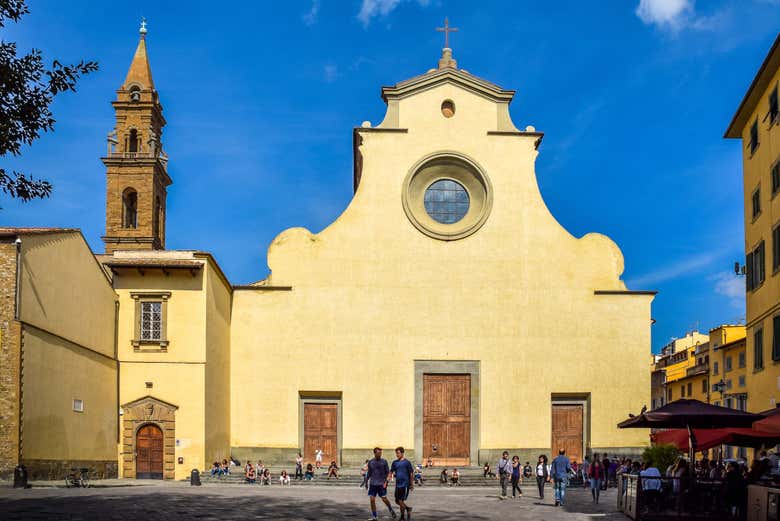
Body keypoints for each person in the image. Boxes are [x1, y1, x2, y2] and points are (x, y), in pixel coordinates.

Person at [366, 447, 397, 521]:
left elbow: (387, 473)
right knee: (372, 499)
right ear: (375, 453)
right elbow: (369, 472)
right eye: (378, 453)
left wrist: (386, 482)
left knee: (384, 499)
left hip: (381, 484)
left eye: (381, 453)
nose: (380, 454)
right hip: (373, 483)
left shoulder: (384, 461)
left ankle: (390, 509)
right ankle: (374, 516)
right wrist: (366, 481)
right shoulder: (371, 462)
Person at [390, 447, 414, 521]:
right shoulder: (395, 462)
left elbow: (411, 473)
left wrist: (411, 484)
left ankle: (402, 517)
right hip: (398, 484)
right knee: (397, 501)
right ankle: (408, 509)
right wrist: (387, 479)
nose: (397, 454)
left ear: (402, 453)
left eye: (398, 453)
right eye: (396, 453)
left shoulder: (407, 462)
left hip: (405, 484)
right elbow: (391, 471)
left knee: (400, 500)